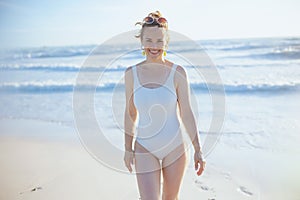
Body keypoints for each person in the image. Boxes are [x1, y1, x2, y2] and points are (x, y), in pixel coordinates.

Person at [123, 10, 206, 200]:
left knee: (170, 198)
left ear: (166, 42)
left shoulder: (178, 72)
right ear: (142, 42)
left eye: (159, 41)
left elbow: (186, 113)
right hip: (145, 147)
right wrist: (128, 149)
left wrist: (198, 149)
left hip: (175, 147)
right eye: (149, 40)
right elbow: (130, 114)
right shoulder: (131, 74)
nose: (154, 46)